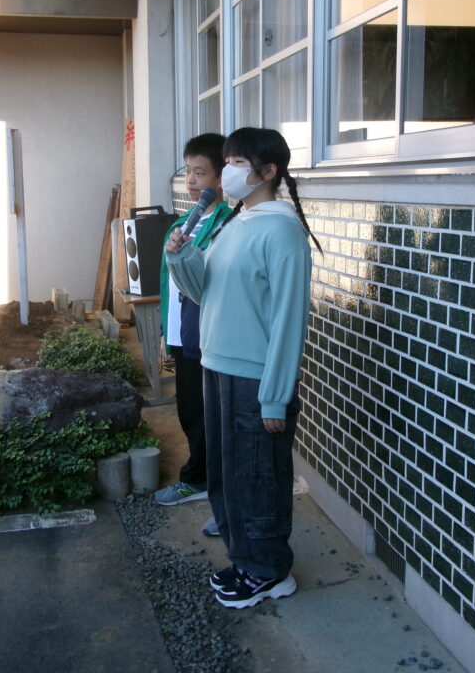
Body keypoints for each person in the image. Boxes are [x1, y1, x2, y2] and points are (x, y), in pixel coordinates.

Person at [166, 127, 321, 609]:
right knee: (228, 475)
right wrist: (182, 257)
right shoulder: (237, 221)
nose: (227, 171)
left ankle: (270, 572)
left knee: (257, 476)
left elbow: (289, 321)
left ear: (268, 171)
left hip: (254, 378)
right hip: (217, 366)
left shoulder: (282, 231)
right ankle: (245, 560)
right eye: (228, 161)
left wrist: (275, 396)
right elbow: (204, 291)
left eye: (237, 163)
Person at [153, 134, 233, 531]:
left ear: (221, 177)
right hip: (184, 334)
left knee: (212, 417)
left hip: (210, 336)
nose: (191, 181)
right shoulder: (180, 224)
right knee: (189, 410)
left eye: (200, 172)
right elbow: (168, 285)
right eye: (188, 171)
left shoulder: (226, 223)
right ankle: (201, 479)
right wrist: (166, 334)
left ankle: (211, 486)